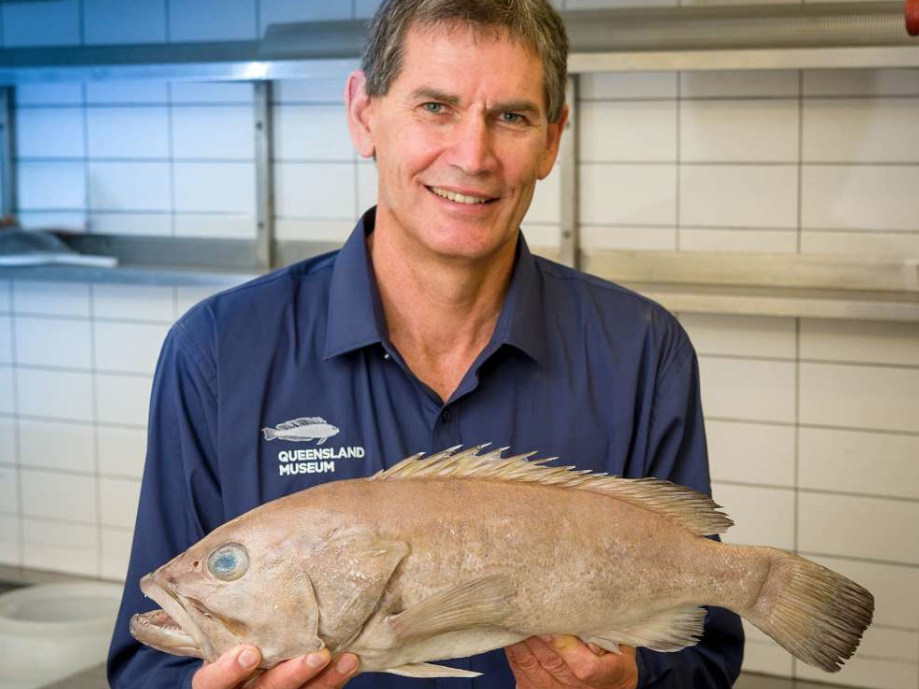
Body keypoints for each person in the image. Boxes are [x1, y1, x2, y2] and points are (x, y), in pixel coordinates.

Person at [108, 0, 744, 687]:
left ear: (552, 139)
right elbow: (147, 661)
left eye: (511, 116)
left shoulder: (642, 350)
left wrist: (629, 683)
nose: (472, 157)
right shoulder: (217, 352)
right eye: (435, 107)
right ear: (363, 113)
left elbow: (701, 651)